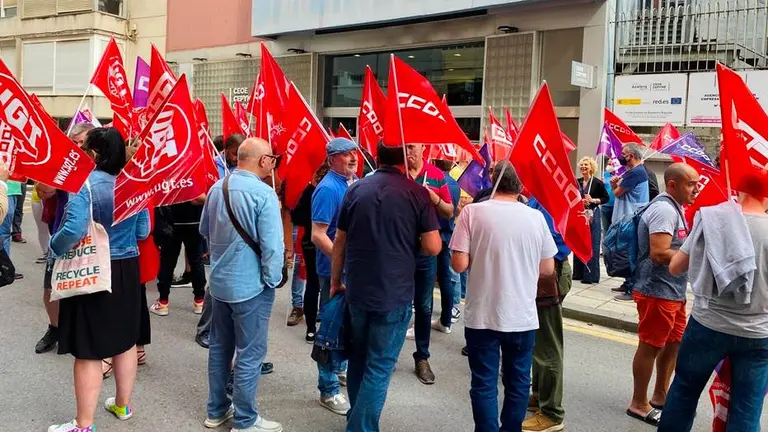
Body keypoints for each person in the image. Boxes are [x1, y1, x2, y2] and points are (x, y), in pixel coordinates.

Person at [48, 128, 150, 432]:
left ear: (93, 153)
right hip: (128, 267)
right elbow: (143, 231)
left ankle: (84, 424)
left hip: (94, 268)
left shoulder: (85, 185)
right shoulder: (134, 183)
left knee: (88, 347)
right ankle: (123, 404)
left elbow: (74, 230)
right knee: (126, 339)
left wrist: (54, 245)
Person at [335, 142, 441, 431]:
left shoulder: (355, 189)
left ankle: (355, 417)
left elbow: (340, 242)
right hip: (394, 293)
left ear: (378, 157)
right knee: (380, 366)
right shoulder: (417, 193)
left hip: (357, 289)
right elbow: (433, 246)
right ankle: (360, 427)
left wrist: (335, 281)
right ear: (404, 161)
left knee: (358, 358)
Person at [450, 162, 557, 432]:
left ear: (492, 179)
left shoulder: (472, 213)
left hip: (483, 314)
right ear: (521, 186)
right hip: (522, 315)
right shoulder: (536, 217)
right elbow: (547, 269)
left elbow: (458, 265)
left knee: (484, 381)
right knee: (519, 381)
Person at [659, 187, 768, 431]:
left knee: (684, 391)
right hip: (758, 332)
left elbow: (675, 267)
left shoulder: (712, 219)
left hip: (708, 325)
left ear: (739, 190)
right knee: (747, 409)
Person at [201, 138, 284, 432]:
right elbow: (273, 247)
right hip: (251, 286)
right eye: (272, 158)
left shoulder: (216, 188)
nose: (274, 162)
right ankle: (245, 420)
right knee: (250, 353)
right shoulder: (264, 194)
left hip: (220, 283)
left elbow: (204, 232)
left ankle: (217, 410)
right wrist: (273, 279)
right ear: (263, 161)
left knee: (220, 348)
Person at [625, 163, 699, 427]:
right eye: (691, 184)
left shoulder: (676, 207)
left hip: (673, 290)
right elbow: (658, 252)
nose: (696, 188)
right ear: (672, 185)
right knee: (651, 345)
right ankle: (638, 402)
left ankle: (660, 395)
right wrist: (695, 254)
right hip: (656, 291)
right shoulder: (664, 210)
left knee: (673, 343)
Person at [35, 122, 95, 355]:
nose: (79, 146)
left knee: (88, 289)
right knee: (50, 288)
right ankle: (55, 327)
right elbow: (42, 191)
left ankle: (86, 332)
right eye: (75, 142)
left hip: (91, 238)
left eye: (83, 142)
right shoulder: (65, 164)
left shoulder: (100, 167)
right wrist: (63, 167)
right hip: (62, 233)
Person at [311, 137, 359, 416]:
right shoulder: (329, 188)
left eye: (353, 153)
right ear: (331, 159)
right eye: (344, 155)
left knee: (344, 327)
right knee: (330, 329)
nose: (352, 158)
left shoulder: (349, 184)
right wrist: (341, 263)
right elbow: (318, 234)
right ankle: (327, 389)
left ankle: (338, 370)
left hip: (347, 270)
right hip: (332, 271)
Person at [403, 143, 453, 385]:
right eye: (405, 147)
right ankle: (388, 355)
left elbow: (449, 211)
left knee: (423, 307)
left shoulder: (436, 176)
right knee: (397, 303)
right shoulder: (397, 172)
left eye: (412, 147)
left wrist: (435, 199)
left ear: (423, 148)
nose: (408, 151)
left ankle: (421, 357)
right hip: (399, 250)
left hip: (426, 251)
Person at [524, 194, 573, 432]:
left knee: (547, 346)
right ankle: (540, 396)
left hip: (549, 276)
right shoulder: (539, 197)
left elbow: (549, 241)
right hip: (545, 275)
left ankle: (552, 413)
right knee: (538, 342)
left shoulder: (549, 199)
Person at [291, 162, 330, 343]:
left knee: (314, 284)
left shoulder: (311, 191)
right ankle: (323, 325)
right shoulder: (335, 189)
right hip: (329, 242)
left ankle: (311, 329)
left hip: (310, 242)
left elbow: (297, 217)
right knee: (329, 283)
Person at [149, 197, 208, 316]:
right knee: (196, 261)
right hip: (194, 219)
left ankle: (163, 301)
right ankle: (199, 300)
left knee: (167, 261)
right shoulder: (196, 177)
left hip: (171, 219)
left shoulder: (168, 177)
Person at [611, 143, 650, 301]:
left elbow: (617, 193)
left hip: (631, 218)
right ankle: (627, 282)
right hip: (630, 217)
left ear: (631, 156)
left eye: (624, 154)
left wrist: (614, 184)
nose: (622, 157)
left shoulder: (635, 172)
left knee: (631, 253)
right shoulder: (635, 172)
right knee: (627, 252)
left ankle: (632, 288)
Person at [432, 159, 463, 330]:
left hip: (432, 236)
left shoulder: (435, 182)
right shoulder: (454, 185)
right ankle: (446, 320)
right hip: (446, 236)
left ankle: (423, 322)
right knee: (445, 279)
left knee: (427, 280)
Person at [573, 157, 609, 284]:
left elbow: (606, 198)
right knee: (578, 241)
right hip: (580, 214)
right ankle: (577, 273)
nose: (583, 167)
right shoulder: (577, 182)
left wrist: (593, 200)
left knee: (592, 243)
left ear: (591, 167)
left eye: (586, 165)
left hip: (593, 214)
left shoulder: (598, 183)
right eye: (582, 164)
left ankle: (590, 276)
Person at [31, 183, 50, 263]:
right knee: (42, 228)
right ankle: (46, 253)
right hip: (37, 196)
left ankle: (56, 252)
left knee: (55, 227)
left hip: (52, 196)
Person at [600, 156, 616, 236]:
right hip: (605, 206)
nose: (609, 165)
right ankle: (606, 247)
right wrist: (600, 184)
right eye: (608, 164)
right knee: (605, 229)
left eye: (611, 164)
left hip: (615, 206)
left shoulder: (619, 174)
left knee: (614, 228)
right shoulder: (604, 175)